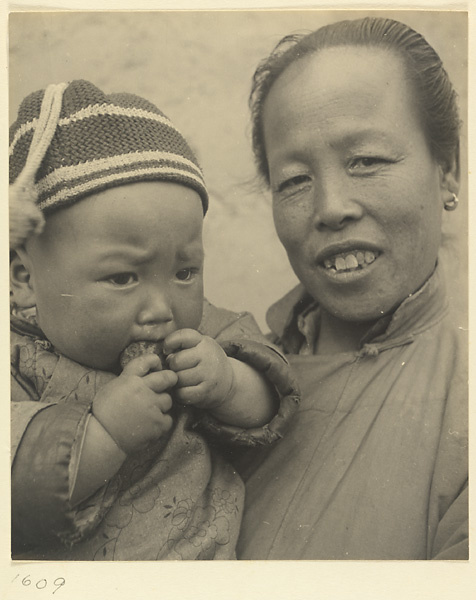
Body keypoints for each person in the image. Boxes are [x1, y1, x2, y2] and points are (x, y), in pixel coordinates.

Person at [9, 80, 299, 560]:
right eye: (123, 278)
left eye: (184, 272)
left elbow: (276, 395)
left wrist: (228, 383)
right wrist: (104, 434)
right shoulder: (16, 360)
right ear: (24, 277)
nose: (162, 308)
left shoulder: (200, 333)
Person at [236, 17, 467, 560]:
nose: (331, 208)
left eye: (366, 161)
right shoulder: (234, 368)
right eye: (294, 180)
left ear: (447, 171)